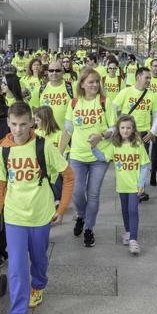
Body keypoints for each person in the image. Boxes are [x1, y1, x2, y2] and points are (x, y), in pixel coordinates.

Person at [0, 102, 74, 314]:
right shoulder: (4, 150)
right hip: (14, 217)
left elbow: (69, 177)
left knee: (39, 260)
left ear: (32, 122)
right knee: (17, 268)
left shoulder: (44, 147)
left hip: (41, 216)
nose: (18, 129)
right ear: (8, 123)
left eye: (23, 124)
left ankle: (39, 284)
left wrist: (61, 209)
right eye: (14, 124)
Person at [60, 69, 115, 246]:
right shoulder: (74, 103)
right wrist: (60, 153)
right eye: (90, 82)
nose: (94, 85)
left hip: (99, 157)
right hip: (77, 155)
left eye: (97, 82)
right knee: (76, 192)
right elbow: (67, 130)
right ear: (82, 84)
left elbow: (114, 128)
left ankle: (89, 228)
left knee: (93, 194)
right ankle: (82, 216)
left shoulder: (106, 102)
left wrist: (102, 136)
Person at [92, 115, 149, 254]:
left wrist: (141, 183)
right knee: (125, 210)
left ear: (133, 129)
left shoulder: (138, 145)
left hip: (134, 186)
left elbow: (145, 165)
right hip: (121, 186)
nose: (125, 130)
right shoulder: (115, 145)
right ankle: (128, 232)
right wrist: (93, 147)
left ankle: (134, 240)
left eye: (128, 128)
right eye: (122, 128)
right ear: (118, 129)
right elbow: (103, 157)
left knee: (133, 211)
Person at [113, 67, 157, 201]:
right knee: (128, 162)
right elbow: (113, 107)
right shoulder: (126, 92)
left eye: (150, 78)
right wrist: (119, 124)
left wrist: (153, 131)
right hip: (127, 134)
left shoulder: (153, 95)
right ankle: (129, 187)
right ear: (138, 77)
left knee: (142, 163)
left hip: (144, 134)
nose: (149, 80)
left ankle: (140, 189)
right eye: (147, 77)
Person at [34, 106, 64, 204]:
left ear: (45, 120)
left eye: (37, 120)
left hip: (55, 175)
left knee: (56, 201)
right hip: (39, 174)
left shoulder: (59, 134)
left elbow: (65, 153)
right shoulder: (35, 134)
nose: (35, 122)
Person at [37, 61, 75, 130]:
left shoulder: (72, 87)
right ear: (48, 72)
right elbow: (37, 112)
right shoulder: (41, 89)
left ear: (62, 72)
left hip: (67, 134)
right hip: (47, 134)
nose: (54, 73)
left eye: (57, 70)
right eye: (51, 71)